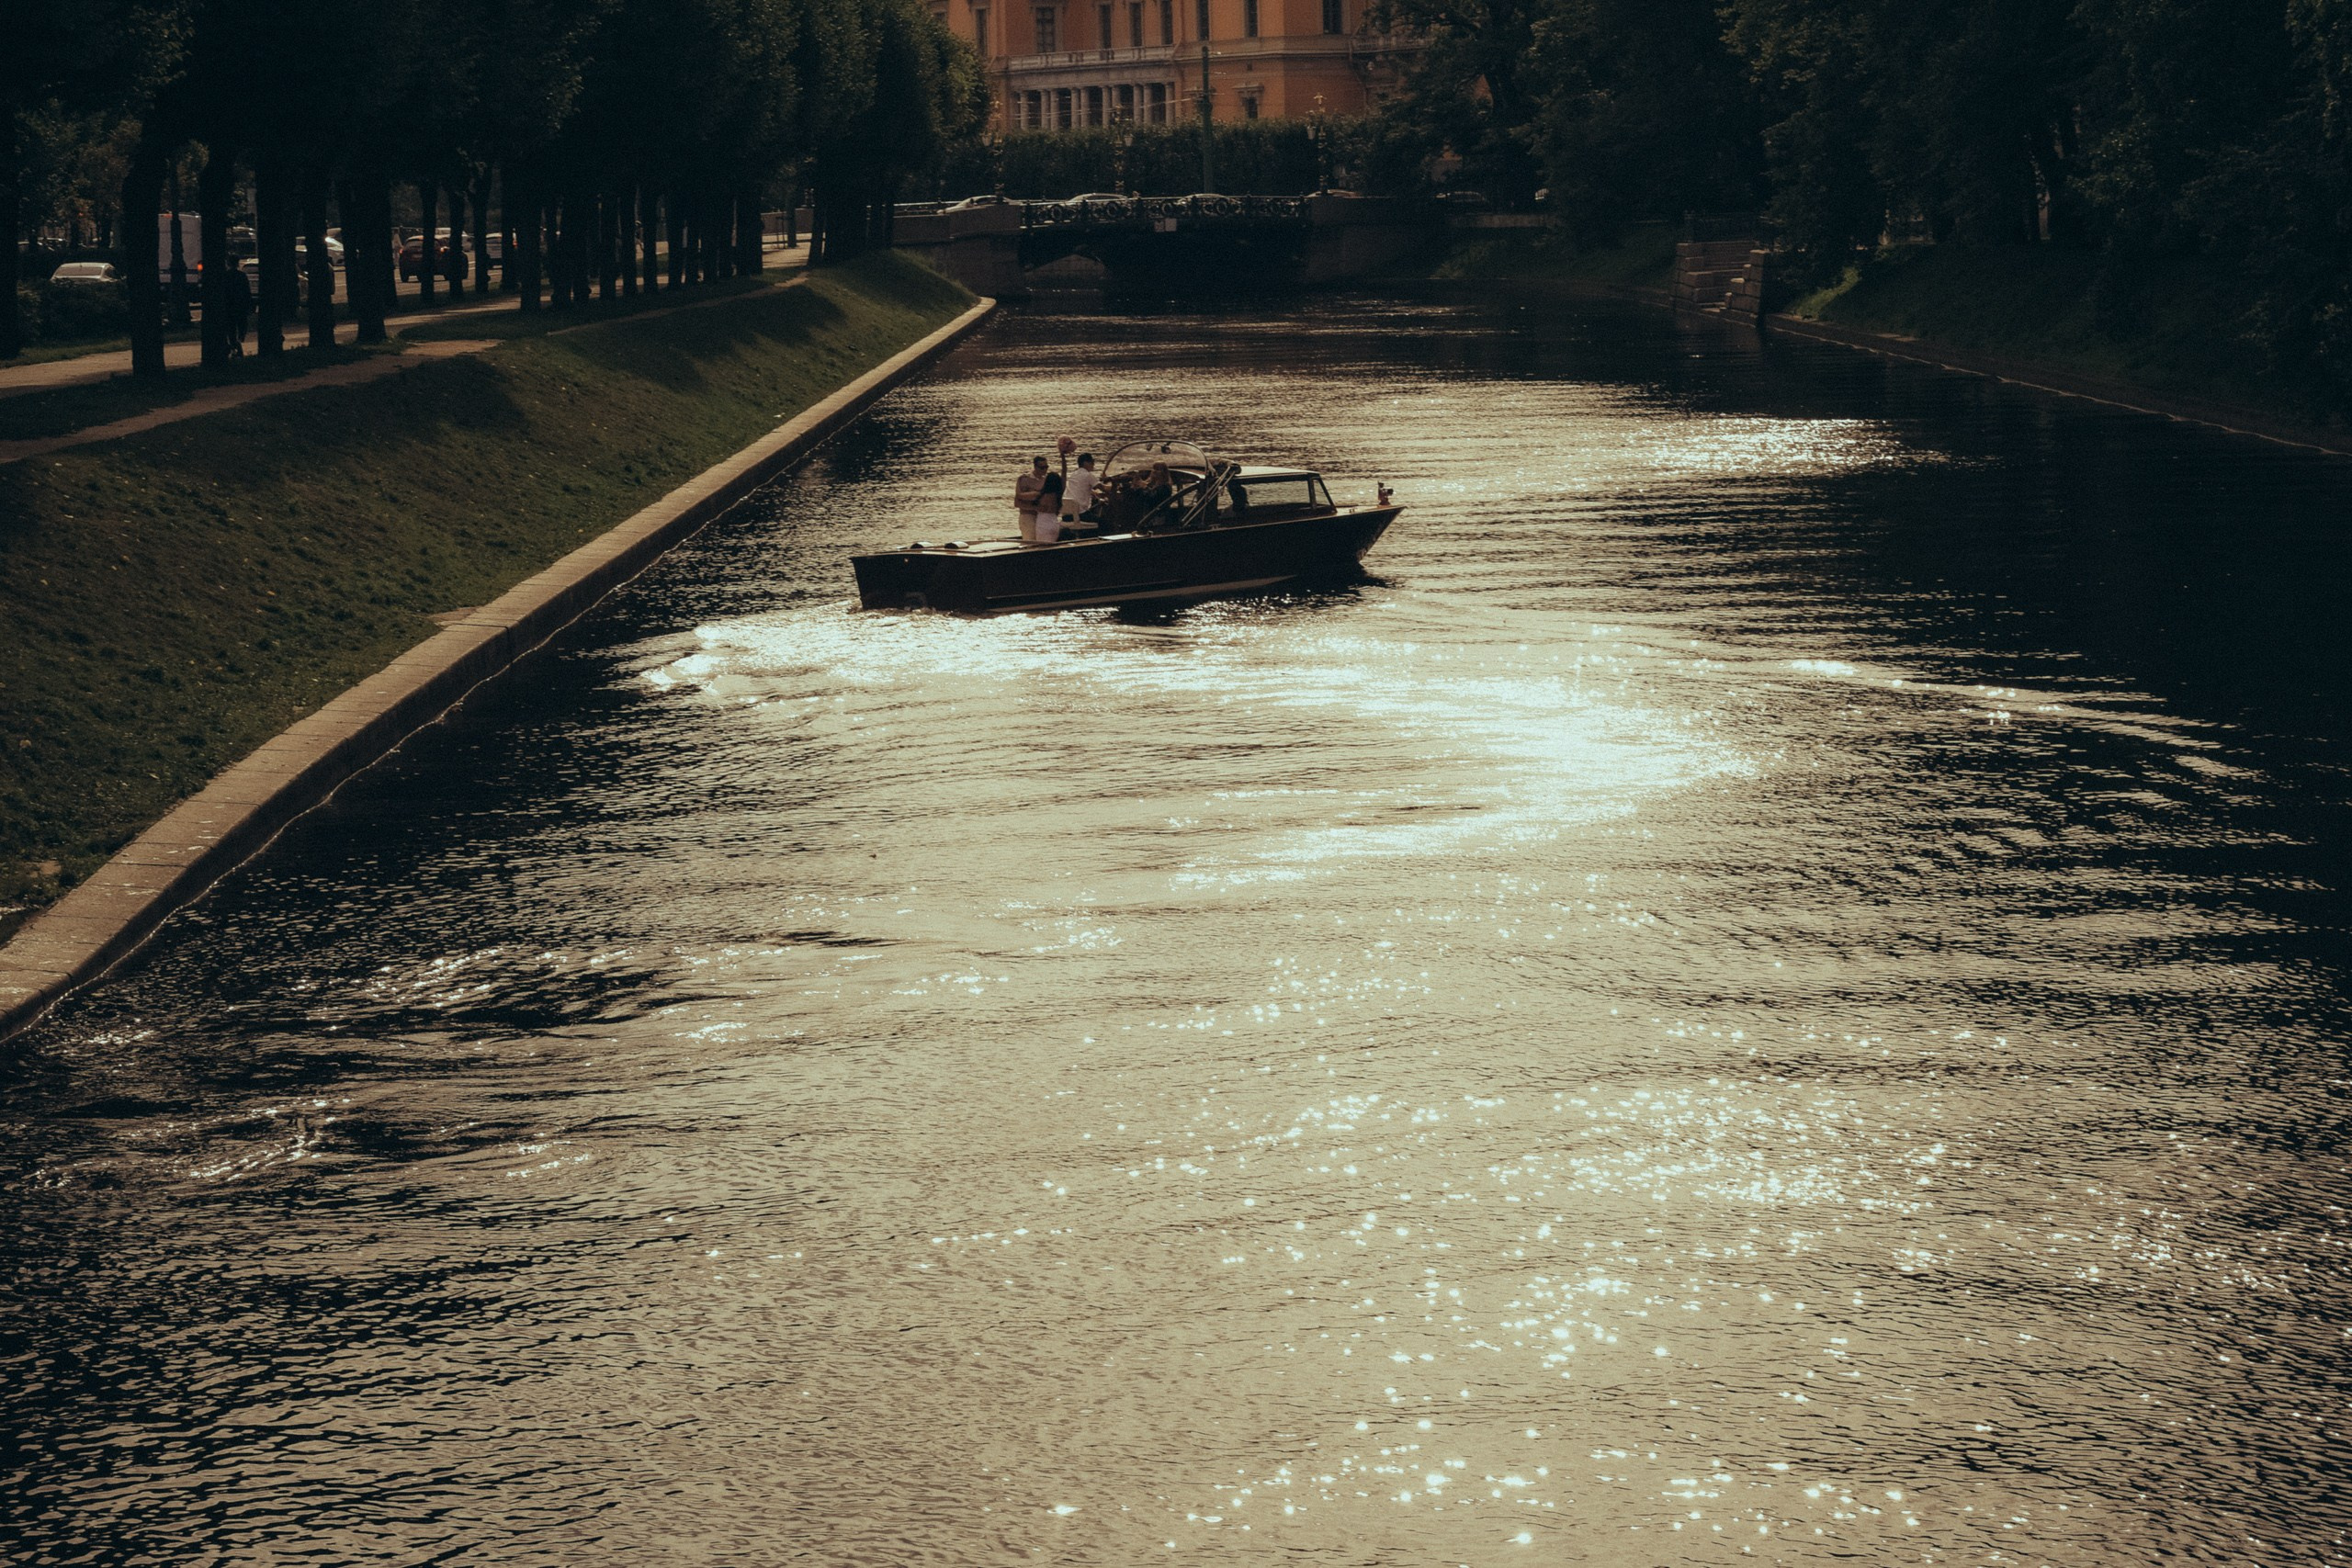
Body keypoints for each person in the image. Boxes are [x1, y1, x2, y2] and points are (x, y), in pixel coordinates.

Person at [1014, 456, 1048, 541]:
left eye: (1046, 467)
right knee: (1030, 541)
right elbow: (1017, 503)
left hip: (1042, 517)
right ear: (1035, 467)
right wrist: (1035, 507)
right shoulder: (1024, 479)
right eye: (1042, 468)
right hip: (1028, 516)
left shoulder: (1047, 480)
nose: (1045, 470)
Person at [1063, 451, 1099, 527]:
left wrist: (1092, 492)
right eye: (1092, 462)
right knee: (1105, 522)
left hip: (1066, 515)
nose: (1093, 464)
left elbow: (1080, 488)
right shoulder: (1088, 475)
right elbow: (1104, 488)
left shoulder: (1074, 474)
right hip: (1080, 515)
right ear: (1085, 463)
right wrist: (1115, 485)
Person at [1033, 471, 1067, 543]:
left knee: (1042, 546)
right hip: (1054, 522)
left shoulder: (1041, 495)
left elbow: (1020, 496)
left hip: (1043, 524)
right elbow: (1064, 478)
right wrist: (1064, 465)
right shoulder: (1058, 494)